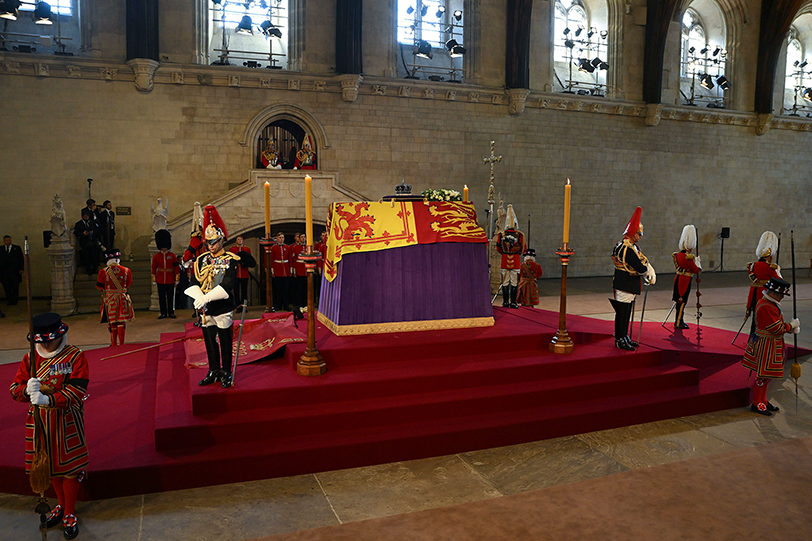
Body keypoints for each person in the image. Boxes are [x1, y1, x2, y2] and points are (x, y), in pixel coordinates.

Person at [9, 312, 89, 540]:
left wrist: (49, 398)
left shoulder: (75, 356)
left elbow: (77, 390)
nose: (44, 343)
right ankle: (61, 505)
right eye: (40, 340)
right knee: (49, 465)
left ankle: (70, 513)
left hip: (66, 419)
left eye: (48, 339)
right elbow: (14, 389)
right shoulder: (30, 358)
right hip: (39, 421)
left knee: (70, 469)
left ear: (59, 334)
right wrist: (26, 390)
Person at [186, 205, 244, 388]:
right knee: (210, 342)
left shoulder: (230, 259)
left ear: (222, 241)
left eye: (214, 242)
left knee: (225, 341)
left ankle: (226, 371)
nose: (211, 246)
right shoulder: (201, 260)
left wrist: (207, 297)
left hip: (222, 306)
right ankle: (213, 370)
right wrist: (198, 297)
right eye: (208, 243)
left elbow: (227, 285)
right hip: (205, 309)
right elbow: (194, 280)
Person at [742, 277, 800, 416]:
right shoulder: (766, 306)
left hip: (771, 343)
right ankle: (757, 403)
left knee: (767, 376)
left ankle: (763, 400)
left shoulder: (769, 303)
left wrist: (789, 328)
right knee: (762, 376)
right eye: (781, 295)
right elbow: (776, 328)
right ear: (774, 293)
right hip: (766, 345)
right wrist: (791, 326)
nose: (781, 298)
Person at [610, 207, 656, 350]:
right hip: (625, 283)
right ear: (633, 233)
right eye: (639, 233)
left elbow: (642, 262)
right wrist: (647, 270)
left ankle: (624, 336)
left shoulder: (632, 247)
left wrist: (648, 268)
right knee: (622, 313)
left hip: (629, 284)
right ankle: (619, 339)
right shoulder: (626, 248)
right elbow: (639, 266)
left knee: (626, 312)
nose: (641, 236)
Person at [745, 231, 782, 338]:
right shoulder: (769, 268)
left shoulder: (752, 266)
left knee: (754, 318)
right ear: (769, 256)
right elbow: (778, 280)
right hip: (763, 294)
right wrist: (778, 270)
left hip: (753, 293)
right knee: (762, 317)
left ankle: (751, 338)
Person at [96, 248, 135, 346]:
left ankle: (114, 344)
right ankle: (122, 343)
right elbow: (129, 284)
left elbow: (99, 287)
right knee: (121, 321)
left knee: (112, 322)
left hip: (110, 299)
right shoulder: (127, 270)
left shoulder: (103, 271)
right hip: (122, 298)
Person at [672, 225, 702, 329]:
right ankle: (678, 322)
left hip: (678, 279)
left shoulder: (679, 255)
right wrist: (698, 262)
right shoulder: (687, 257)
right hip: (684, 281)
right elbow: (696, 270)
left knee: (679, 302)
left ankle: (679, 320)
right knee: (682, 301)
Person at [495, 204, 525, 309]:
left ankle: (505, 302)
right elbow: (523, 249)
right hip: (516, 260)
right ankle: (513, 303)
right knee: (514, 282)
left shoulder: (501, 234)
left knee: (505, 282)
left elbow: (498, 248)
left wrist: (505, 253)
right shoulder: (520, 235)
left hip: (504, 260)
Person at [152, 230, 180, 319]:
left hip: (170, 278)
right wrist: (154, 278)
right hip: (160, 278)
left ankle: (171, 312)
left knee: (171, 297)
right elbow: (154, 268)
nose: (164, 248)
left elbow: (176, 267)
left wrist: (177, 278)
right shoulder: (156, 256)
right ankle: (163, 313)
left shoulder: (172, 256)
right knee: (161, 297)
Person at [228, 236, 255, 305]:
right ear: (236, 241)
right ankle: (237, 305)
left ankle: (244, 305)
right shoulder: (232, 249)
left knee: (244, 291)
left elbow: (249, 260)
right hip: (236, 273)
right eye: (238, 239)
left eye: (241, 239)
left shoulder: (247, 249)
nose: (240, 241)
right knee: (236, 291)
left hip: (244, 273)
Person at [270, 231, 293, 311]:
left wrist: (290, 270)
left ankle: (286, 305)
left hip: (285, 270)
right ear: (277, 239)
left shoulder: (287, 247)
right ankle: (278, 305)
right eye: (280, 238)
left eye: (283, 237)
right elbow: (272, 260)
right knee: (278, 290)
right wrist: (272, 271)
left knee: (286, 290)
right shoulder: (274, 248)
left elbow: (290, 259)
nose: (281, 239)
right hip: (277, 270)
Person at [74, 210, 100, 276]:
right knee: (86, 257)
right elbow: (76, 233)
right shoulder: (79, 224)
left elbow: (97, 229)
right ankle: (88, 270)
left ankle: (94, 269)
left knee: (94, 256)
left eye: (88, 215)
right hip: (85, 243)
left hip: (93, 241)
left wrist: (93, 232)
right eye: (85, 215)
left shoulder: (92, 222)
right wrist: (83, 233)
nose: (87, 217)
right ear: (82, 216)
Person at [0, 235, 24, 305]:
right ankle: (9, 300)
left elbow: (21, 259)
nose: (8, 241)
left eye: (9, 240)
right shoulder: (1, 249)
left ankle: (15, 300)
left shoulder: (16, 248)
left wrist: (21, 268)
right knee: (6, 286)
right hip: (4, 271)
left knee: (15, 285)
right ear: (4, 241)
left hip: (14, 271)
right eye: (7, 240)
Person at [291, 233, 308, 308]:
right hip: (299, 269)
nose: (303, 238)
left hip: (306, 269)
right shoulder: (296, 247)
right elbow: (294, 260)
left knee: (306, 288)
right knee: (299, 288)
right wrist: (294, 271)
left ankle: (306, 303)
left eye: (304, 237)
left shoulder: (308, 247)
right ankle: (299, 303)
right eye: (302, 237)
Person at [314, 230, 328, 305]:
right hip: (322, 267)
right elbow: (319, 258)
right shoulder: (321, 246)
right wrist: (319, 269)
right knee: (320, 285)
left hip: (328, 267)